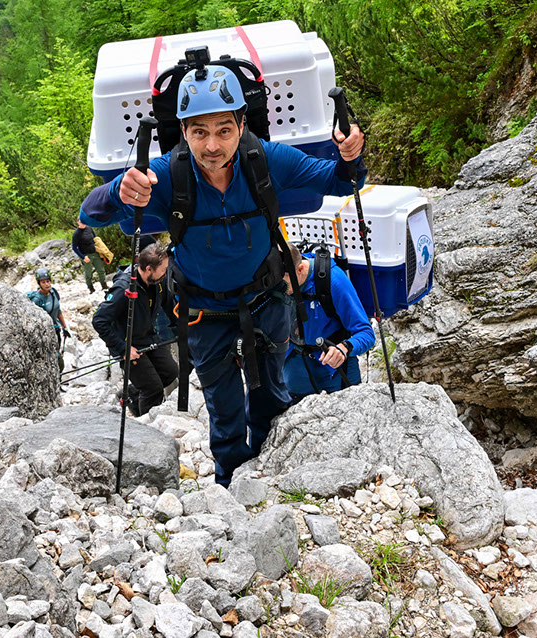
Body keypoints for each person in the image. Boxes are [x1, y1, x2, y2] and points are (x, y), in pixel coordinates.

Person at [79, 64, 365, 486]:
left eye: (223, 130)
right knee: (223, 404)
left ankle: (272, 478)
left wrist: (349, 157)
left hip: (265, 299)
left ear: (241, 124)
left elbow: (340, 183)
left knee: (272, 393)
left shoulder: (265, 159)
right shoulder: (165, 174)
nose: (212, 145)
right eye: (199, 132)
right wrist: (117, 189)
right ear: (183, 130)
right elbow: (90, 213)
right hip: (204, 308)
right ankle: (230, 483)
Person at [92, 243, 177, 417]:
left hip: (148, 336)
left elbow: (169, 304)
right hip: (127, 343)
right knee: (153, 389)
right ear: (148, 269)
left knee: (170, 372)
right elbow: (99, 320)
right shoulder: (124, 288)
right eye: (162, 269)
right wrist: (123, 349)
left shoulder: (157, 282)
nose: (165, 272)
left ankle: (132, 393)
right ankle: (146, 426)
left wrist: (181, 328)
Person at [282, 243, 375, 402]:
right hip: (295, 366)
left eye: (283, 284)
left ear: (299, 269)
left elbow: (367, 333)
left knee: (349, 415)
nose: (277, 289)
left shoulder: (333, 281)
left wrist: (344, 348)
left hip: (335, 367)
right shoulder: (273, 282)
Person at [27, 268, 71, 369]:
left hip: (56, 330)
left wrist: (65, 327)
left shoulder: (53, 292)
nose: (47, 284)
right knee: (56, 361)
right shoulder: (37, 299)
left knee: (57, 356)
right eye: (43, 282)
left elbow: (58, 310)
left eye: (48, 281)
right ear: (39, 284)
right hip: (45, 334)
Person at [71, 219, 109, 293]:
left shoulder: (89, 228)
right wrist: (83, 257)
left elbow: (96, 239)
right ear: (78, 222)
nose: (82, 223)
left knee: (101, 270)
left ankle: (104, 286)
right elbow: (74, 247)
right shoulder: (76, 233)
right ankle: (91, 288)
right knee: (88, 273)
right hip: (86, 255)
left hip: (95, 253)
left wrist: (102, 250)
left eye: (83, 221)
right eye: (80, 221)